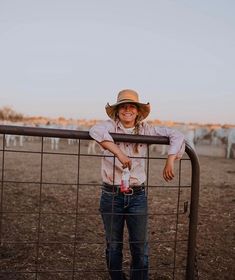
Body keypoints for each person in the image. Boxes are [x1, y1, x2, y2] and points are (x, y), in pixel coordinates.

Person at [89, 89, 185, 280]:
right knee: (114, 244)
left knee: (140, 244)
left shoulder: (146, 130)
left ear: (138, 111)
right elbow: (94, 130)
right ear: (117, 111)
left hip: (137, 195)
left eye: (131, 105)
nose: (127, 109)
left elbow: (176, 134)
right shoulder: (108, 127)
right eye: (123, 106)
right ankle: (117, 278)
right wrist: (119, 152)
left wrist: (170, 159)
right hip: (111, 194)